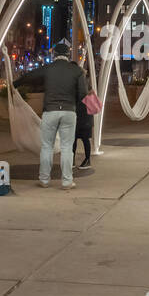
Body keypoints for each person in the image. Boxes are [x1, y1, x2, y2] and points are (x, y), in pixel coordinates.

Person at [18, 40, 87, 188]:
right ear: (68, 55)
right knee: (67, 147)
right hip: (69, 111)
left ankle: (44, 179)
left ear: (54, 54)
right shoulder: (76, 71)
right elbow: (83, 94)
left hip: (50, 111)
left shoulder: (48, 68)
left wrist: (14, 84)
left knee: (47, 146)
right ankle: (67, 181)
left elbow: (30, 76)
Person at [73, 79, 94, 169]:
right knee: (73, 139)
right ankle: (72, 160)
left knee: (84, 139)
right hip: (77, 117)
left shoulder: (86, 87)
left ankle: (87, 160)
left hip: (85, 118)